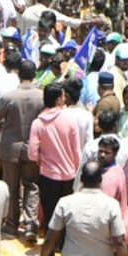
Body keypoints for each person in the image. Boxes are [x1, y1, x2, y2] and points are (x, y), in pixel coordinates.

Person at [0, 59, 45, 242]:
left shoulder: (9, 97)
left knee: (11, 187)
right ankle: (31, 224)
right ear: (34, 74)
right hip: (33, 147)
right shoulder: (42, 96)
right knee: (32, 185)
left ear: (18, 74)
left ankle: (11, 225)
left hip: (10, 147)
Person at [29, 83, 83, 233]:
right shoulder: (71, 119)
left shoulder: (38, 123)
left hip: (48, 175)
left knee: (49, 213)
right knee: (66, 214)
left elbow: (32, 153)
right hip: (69, 175)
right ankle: (62, 246)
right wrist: (77, 169)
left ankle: (50, 250)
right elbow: (76, 150)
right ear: (59, 99)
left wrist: (41, 160)